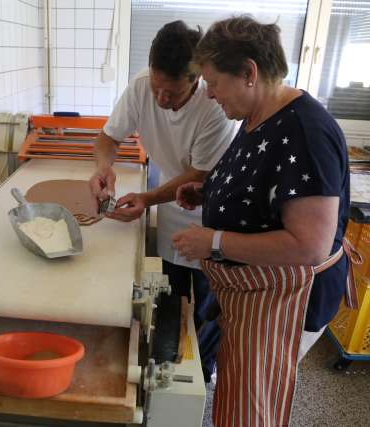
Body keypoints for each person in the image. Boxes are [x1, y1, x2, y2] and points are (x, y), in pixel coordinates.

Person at [172, 16, 357, 426]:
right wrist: (211, 192)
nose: (210, 94)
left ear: (249, 73)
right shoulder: (257, 115)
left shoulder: (304, 132)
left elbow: (308, 245)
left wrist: (214, 241)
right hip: (254, 292)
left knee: (254, 409)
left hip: (285, 298)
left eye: (214, 83)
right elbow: (264, 187)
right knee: (238, 393)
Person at [89, 21, 235, 382]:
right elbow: (107, 137)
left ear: (197, 78)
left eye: (171, 93)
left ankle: (205, 367)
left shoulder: (214, 108)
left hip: (210, 208)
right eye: (156, 88)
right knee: (171, 292)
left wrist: (145, 198)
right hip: (171, 202)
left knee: (207, 298)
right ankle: (169, 361)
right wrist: (104, 167)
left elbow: (198, 176)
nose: (160, 99)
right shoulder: (143, 86)